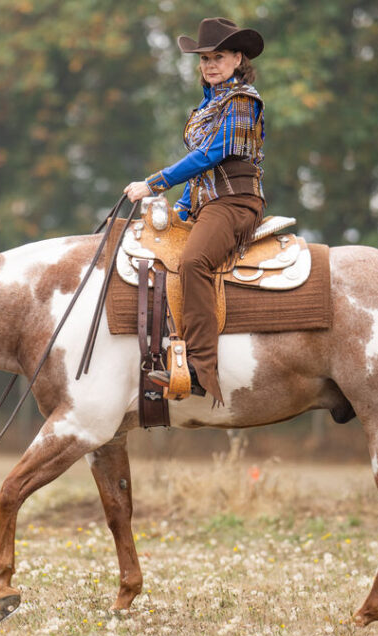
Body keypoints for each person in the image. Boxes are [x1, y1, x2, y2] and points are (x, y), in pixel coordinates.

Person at [124, 17, 266, 405]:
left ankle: (200, 370)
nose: (209, 65)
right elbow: (201, 173)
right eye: (204, 58)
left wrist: (154, 183)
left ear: (238, 58)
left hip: (235, 203)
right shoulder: (209, 105)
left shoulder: (242, 102)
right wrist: (183, 207)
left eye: (218, 57)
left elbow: (211, 155)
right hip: (208, 205)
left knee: (193, 263)